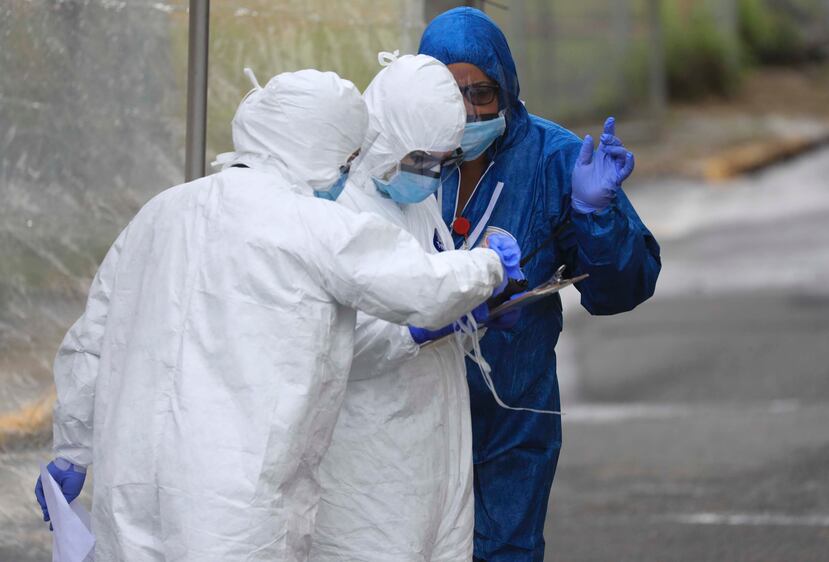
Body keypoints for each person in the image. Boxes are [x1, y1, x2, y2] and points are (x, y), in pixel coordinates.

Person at [34, 68, 521, 561]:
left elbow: (90, 343)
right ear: (319, 147)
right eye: (346, 159)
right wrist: (490, 262)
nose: (344, 174)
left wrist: (71, 451)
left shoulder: (158, 213)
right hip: (234, 510)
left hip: (130, 494)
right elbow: (423, 285)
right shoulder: (309, 224)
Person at [419, 8, 662, 561]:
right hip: (414, 406)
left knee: (505, 550)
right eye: (449, 92)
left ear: (507, 86)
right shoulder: (408, 157)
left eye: (482, 92)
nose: (467, 110)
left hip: (512, 408)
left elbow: (621, 291)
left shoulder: (555, 159)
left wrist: (595, 216)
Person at [310, 52, 519, 562]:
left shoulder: (413, 197)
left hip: (434, 448)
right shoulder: (337, 209)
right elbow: (325, 343)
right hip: (369, 463)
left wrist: (471, 311)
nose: (434, 174)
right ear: (384, 142)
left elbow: (430, 284)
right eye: (424, 162)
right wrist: (412, 334)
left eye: (445, 163)